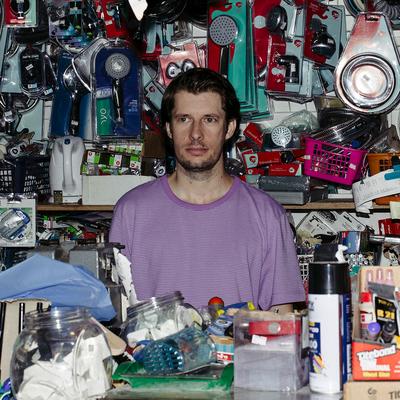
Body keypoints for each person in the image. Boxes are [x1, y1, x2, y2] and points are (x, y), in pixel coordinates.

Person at [109, 68, 305, 312]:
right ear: (169, 128)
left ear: (229, 128)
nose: (196, 134)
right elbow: (117, 313)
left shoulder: (267, 215)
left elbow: (280, 319)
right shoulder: (131, 211)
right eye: (184, 119)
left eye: (209, 119)